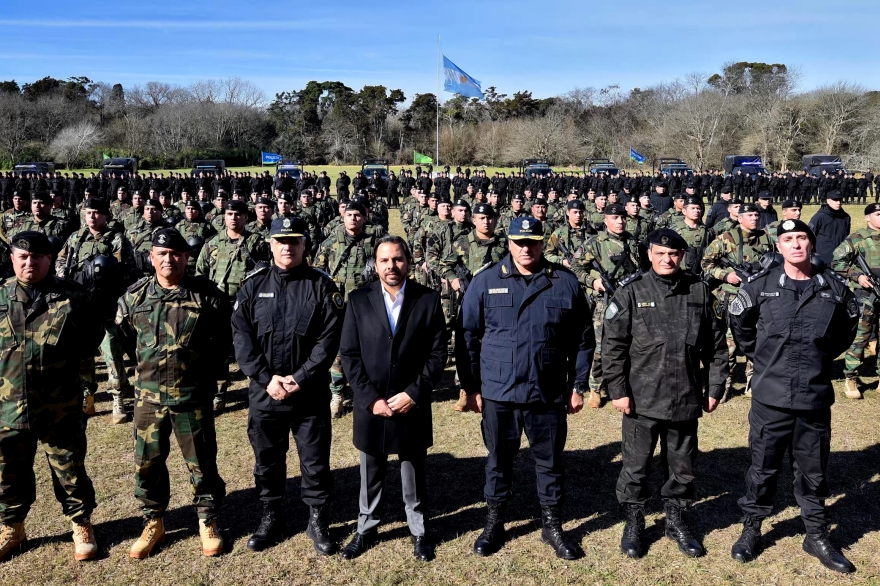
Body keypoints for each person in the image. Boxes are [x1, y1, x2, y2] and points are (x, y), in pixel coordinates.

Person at [457, 216, 595, 560]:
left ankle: (551, 525)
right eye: (519, 242)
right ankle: (494, 522)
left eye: (532, 242)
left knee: (549, 462)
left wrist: (577, 385)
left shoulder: (564, 283)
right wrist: (471, 386)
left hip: (546, 392)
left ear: (542, 242)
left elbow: (582, 339)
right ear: (508, 243)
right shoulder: (486, 281)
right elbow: (466, 337)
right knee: (499, 460)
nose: (525, 248)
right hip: (498, 392)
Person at [728, 219, 858, 574]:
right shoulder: (760, 287)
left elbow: (845, 332)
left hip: (814, 395)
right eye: (788, 239)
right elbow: (741, 327)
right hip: (771, 396)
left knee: (813, 472)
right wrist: (765, 358)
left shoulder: (834, 288)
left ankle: (815, 534)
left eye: (802, 238)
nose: (796, 245)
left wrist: (818, 357)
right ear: (779, 246)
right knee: (762, 468)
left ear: (811, 245)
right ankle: (752, 528)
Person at [602, 228, 728, 559]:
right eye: (660, 253)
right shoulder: (631, 292)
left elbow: (715, 347)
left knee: (682, 467)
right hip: (641, 398)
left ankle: (675, 520)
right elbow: (612, 346)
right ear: (649, 255)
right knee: (636, 465)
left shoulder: (699, 292)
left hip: (685, 396)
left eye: (673, 254)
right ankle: (634, 521)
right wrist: (617, 390)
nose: (667, 259)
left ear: (682, 256)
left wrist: (715, 387)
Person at [116, 229, 229, 559]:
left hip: (191, 398)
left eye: (176, 253)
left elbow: (223, 342)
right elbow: (125, 339)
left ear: (186, 257)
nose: (169, 259)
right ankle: (153, 521)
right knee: (147, 464)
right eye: (162, 253)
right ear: (151, 257)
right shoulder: (133, 298)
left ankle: (207, 520)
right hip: (148, 400)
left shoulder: (207, 296)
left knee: (202, 463)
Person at [233, 217, 343, 555]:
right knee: (267, 460)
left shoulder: (322, 286)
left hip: (308, 393)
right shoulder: (253, 286)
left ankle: (317, 519)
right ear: (270, 243)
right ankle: (271, 516)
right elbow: (242, 340)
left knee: (314, 461)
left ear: (304, 244)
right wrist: (268, 380)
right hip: (266, 394)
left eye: (294, 240)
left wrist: (302, 376)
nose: (287, 247)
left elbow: (328, 340)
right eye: (281, 240)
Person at [339, 235, 447, 562]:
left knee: (413, 469)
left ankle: (418, 530)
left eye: (398, 259)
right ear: (376, 264)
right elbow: (349, 354)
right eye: (385, 260)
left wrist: (414, 393)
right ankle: (366, 528)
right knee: (370, 470)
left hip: (409, 403)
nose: (391, 266)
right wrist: (371, 399)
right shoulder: (358, 300)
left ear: (408, 263)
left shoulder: (427, 300)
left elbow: (437, 353)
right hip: (371, 405)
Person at [0, 232, 105, 562]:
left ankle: (81, 523)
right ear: (13, 259)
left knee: (70, 469)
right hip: (8, 404)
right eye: (23, 257)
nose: (30, 263)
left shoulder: (72, 295)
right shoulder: (0, 296)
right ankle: (11, 527)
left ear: (50, 259)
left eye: (37, 257)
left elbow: (90, 342)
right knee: (7, 471)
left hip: (59, 404)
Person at [56, 198, 134, 422]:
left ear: (105, 215)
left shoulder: (116, 239)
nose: (91, 216)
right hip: (80, 305)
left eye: (96, 213)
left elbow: (128, 270)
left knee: (111, 354)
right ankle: (88, 398)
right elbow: (61, 261)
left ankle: (117, 401)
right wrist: (64, 275)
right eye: (88, 212)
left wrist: (109, 281)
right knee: (82, 357)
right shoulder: (76, 237)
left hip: (106, 306)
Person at [832, 202, 880, 399]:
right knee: (860, 338)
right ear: (867, 218)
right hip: (865, 297)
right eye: (878, 214)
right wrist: (857, 276)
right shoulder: (858, 238)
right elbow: (836, 262)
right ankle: (850, 378)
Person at [809, 190, 851, 264]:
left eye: (840, 200)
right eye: (835, 200)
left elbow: (846, 236)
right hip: (823, 259)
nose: (838, 202)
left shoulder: (846, 217)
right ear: (828, 201)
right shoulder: (819, 217)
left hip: (841, 259)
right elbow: (809, 236)